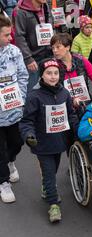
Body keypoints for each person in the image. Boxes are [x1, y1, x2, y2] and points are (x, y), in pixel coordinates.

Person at [19, 58, 79, 223]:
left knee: (53, 171)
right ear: (42, 75)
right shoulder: (34, 96)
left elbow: (71, 115)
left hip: (60, 142)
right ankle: (54, 205)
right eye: (48, 73)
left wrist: (78, 130)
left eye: (56, 73)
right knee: (49, 173)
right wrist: (29, 136)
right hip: (42, 143)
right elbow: (27, 121)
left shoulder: (64, 93)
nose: (53, 77)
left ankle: (47, 188)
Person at [0, 15, 28, 204]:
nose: (10, 38)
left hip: (14, 108)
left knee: (17, 142)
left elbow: (23, 75)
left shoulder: (14, 51)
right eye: (5, 35)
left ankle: (10, 161)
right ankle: (3, 182)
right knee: (0, 149)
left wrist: (21, 98)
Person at [51, 32, 92, 116]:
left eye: (58, 47)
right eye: (53, 48)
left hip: (85, 105)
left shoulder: (81, 60)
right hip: (64, 108)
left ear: (67, 47)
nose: (54, 51)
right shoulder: (53, 64)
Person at [12, 0, 54, 92]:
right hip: (33, 59)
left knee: (49, 88)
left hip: (49, 54)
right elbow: (19, 36)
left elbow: (51, 27)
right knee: (31, 90)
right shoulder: (20, 11)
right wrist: (28, 58)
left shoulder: (45, 6)